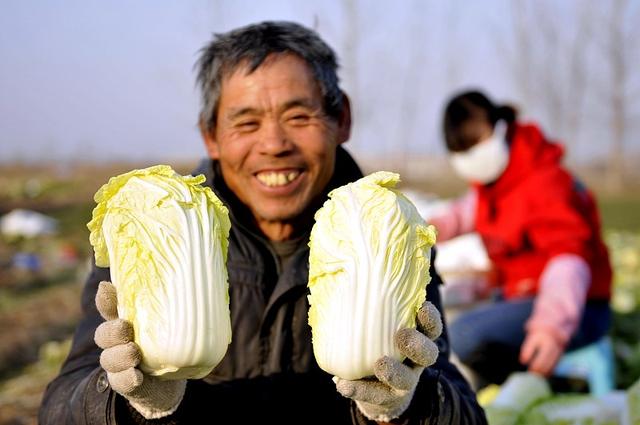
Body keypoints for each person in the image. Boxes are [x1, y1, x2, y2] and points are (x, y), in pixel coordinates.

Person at [38, 22, 486, 424]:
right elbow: (60, 406)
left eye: (298, 116)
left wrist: (407, 408)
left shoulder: (388, 236)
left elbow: (465, 414)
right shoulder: (157, 229)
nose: (273, 144)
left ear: (341, 118)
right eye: (246, 122)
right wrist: (134, 407)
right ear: (210, 136)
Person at [429, 90, 612, 388]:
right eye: (461, 150)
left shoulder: (545, 181)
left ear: (499, 126)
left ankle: (552, 387)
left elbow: (569, 259)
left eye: (475, 143)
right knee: (451, 306)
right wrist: (425, 228)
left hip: (577, 308)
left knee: (462, 335)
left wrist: (552, 326)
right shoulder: (496, 184)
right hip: (523, 295)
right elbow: (466, 212)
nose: (470, 157)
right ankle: (526, 387)